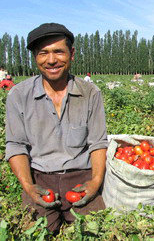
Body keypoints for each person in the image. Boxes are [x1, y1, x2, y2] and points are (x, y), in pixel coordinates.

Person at [5, 22, 108, 234]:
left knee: (97, 231)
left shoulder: (90, 93)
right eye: (43, 53)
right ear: (35, 57)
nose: (51, 60)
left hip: (80, 178)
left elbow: (97, 142)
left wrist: (96, 181)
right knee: (35, 233)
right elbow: (16, 145)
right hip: (41, 178)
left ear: (71, 54)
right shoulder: (18, 95)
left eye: (58, 52)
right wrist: (28, 186)